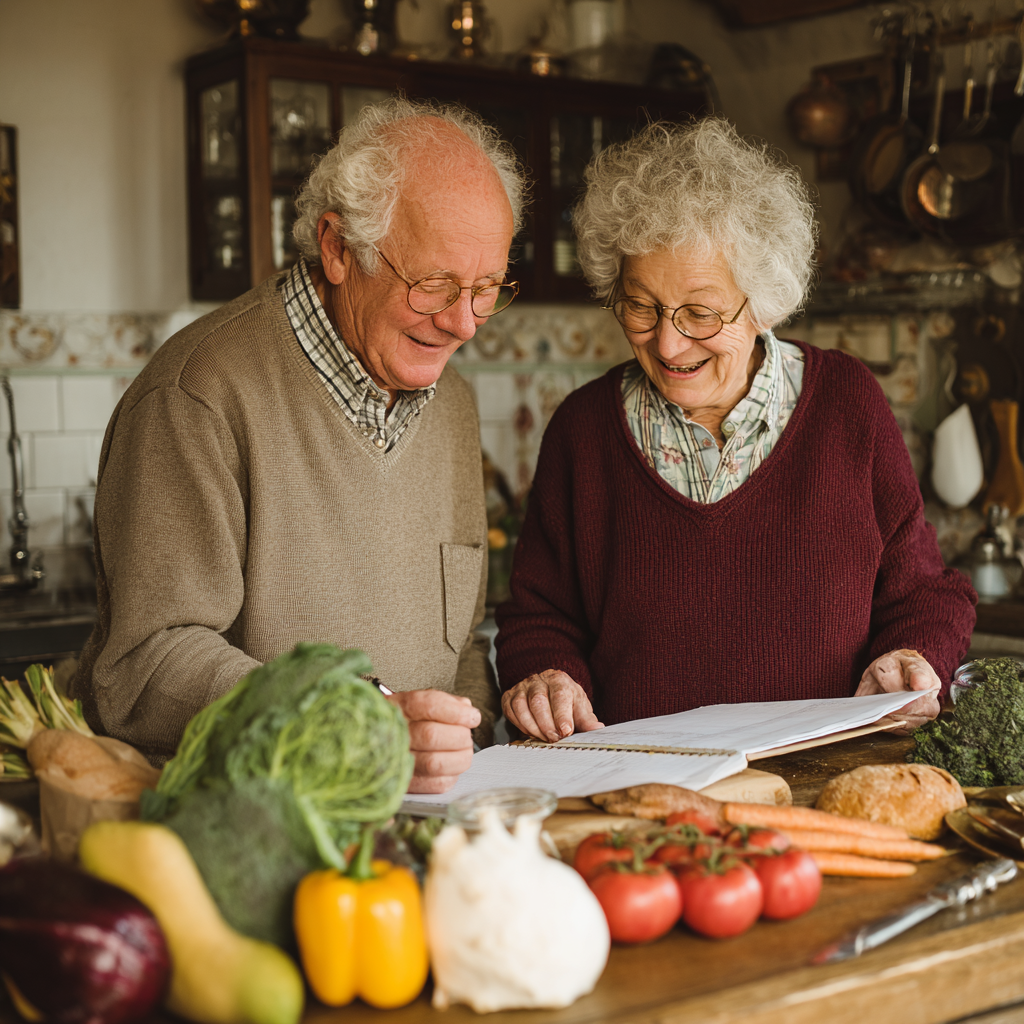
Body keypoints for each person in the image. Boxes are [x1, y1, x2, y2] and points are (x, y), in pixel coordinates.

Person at [73, 98, 527, 793]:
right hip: (252, 836)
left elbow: (459, 650)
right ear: (338, 248)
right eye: (435, 286)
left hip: (425, 831)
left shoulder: (454, 407)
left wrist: (465, 735)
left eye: (487, 288)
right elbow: (146, 665)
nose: (464, 323)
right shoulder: (198, 395)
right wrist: (355, 722)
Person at [496, 118, 976, 744]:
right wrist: (546, 675)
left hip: (822, 792)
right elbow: (540, 616)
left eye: (700, 312)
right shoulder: (583, 432)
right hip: (643, 796)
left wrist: (912, 655)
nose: (667, 342)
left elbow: (926, 595)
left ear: (763, 301)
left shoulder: (846, 404)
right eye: (641, 306)